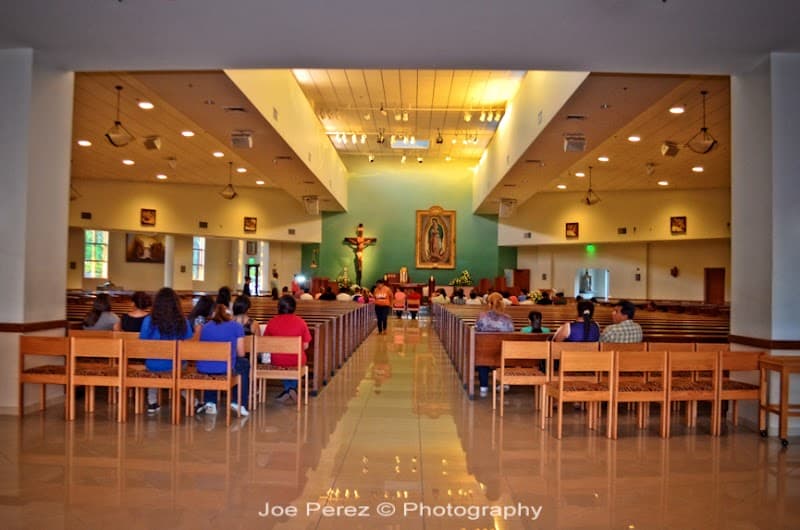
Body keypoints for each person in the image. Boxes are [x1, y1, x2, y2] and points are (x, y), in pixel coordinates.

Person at [139, 287, 193, 413]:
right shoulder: (182, 321)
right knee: (179, 366)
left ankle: (152, 402)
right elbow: (188, 344)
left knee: (153, 365)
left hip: (152, 365)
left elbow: (142, 342)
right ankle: (192, 401)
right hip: (175, 365)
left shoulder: (148, 320)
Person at [196, 301, 249, 417]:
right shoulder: (237, 326)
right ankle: (238, 402)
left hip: (204, 367)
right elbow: (241, 353)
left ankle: (210, 402)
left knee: (211, 365)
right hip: (226, 367)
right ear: (229, 315)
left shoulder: (205, 327)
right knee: (243, 363)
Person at [264, 295, 312, 404]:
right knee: (295, 361)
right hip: (296, 359)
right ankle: (291, 389)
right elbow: (306, 346)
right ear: (294, 307)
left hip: (277, 360)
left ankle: (288, 389)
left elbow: (266, 343)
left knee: (283, 361)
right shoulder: (301, 322)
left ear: (279, 307)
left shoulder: (272, 322)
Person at [474, 292, 515, 397]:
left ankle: (484, 386)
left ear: (489, 304)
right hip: (503, 353)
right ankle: (504, 383)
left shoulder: (482, 316)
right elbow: (512, 332)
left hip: (485, 352)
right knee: (503, 350)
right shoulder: (508, 318)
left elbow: (477, 329)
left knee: (482, 353)